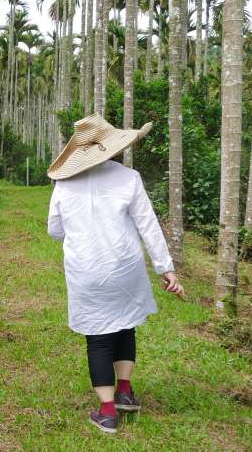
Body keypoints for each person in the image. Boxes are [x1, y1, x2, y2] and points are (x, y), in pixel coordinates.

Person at [46, 114, 185, 434]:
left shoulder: (64, 184)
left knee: (98, 338)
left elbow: (54, 230)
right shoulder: (129, 178)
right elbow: (148, 225)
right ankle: (124, 391)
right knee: (125, 326)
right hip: (125, 267)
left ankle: (107, 412)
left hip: (87, 270)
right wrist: (166, 268)